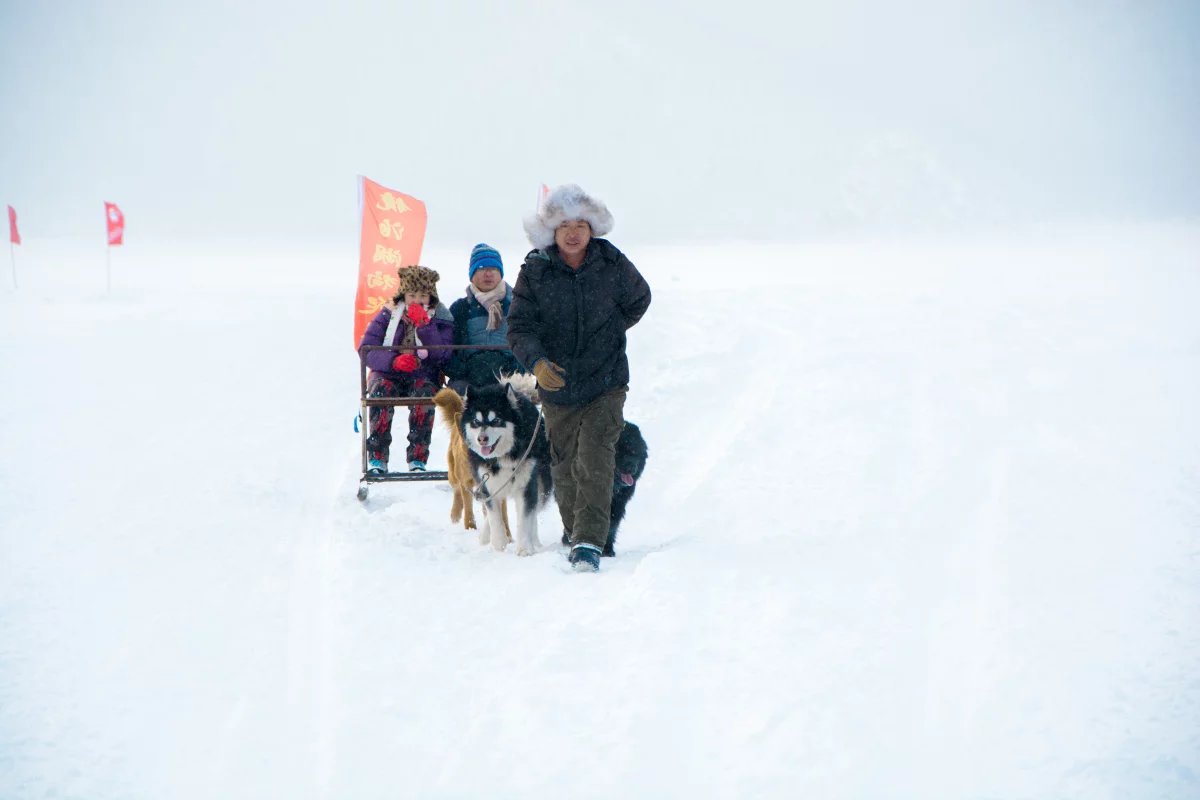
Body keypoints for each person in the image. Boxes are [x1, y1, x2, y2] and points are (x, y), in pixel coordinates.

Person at [507, 184, 651, 572]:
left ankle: (590, 541)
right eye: (564, 225)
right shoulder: (536, 269)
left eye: (581, 225)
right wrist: (537, 362)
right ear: (551, 231)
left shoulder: (610, 261)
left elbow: (640, 298)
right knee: (565, 463)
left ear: (592, 228)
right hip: (557, 384)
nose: (573, 232)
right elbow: (519, 326)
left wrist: (612, 329)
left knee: (596, 456)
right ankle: (574, 531)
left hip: (607, 381)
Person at [358, 265, 454, 473]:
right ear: (403, 295)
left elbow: (443, 354)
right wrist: (393, 361)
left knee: (424, 395)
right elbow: (366, 350)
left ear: (432, 296)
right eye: (411, 295)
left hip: (423, 375)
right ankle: (377, 457)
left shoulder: (441, 318)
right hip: (387, 373)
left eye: (423, 295)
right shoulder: (387, 315)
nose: (417, 300)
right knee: (381, 393)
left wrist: (425, 327)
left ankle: (417, 458)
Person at [444, 243, 524, 393]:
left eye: (493, 268)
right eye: (481, 268)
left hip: (510, 377)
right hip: (468, 379)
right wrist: (465, 370)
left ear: (501, 273)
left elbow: (528, 343)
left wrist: (513, 370)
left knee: (518, 399)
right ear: (472, 274)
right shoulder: (460, 308)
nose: (488, 273)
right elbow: (447, 351)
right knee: (458, 397)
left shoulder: (517, 306)